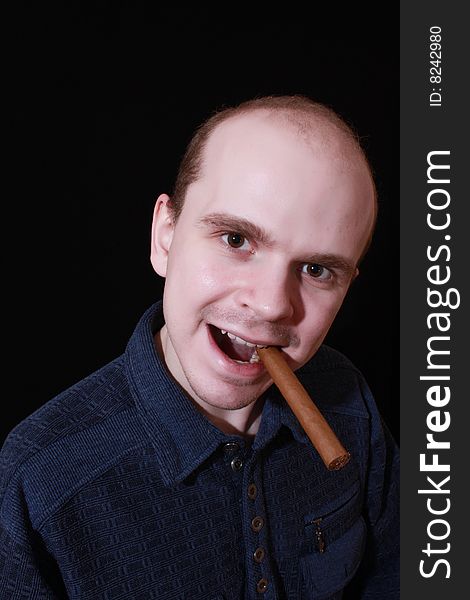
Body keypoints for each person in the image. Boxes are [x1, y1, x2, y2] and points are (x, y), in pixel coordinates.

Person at [0, 95, 399, 599]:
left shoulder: (348, 400)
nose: (274, 305)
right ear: (165, 236)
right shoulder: (37, 481)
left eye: (317, 270)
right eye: (236, 239)